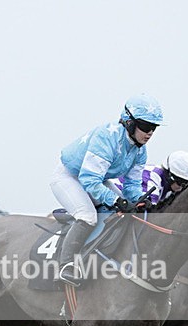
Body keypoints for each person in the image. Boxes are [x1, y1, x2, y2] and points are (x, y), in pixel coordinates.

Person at [50, 93, 163, 286]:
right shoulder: (107, 136)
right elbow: (89, 180)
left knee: (125, 214)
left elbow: (131, 186)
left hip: (95, 178)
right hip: (69, 177)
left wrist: (143, 202)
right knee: (87, 216)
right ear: (129, 122)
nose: (150, 133)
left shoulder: (140, 150)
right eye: (145, 126)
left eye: (153, 128)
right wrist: (117, 201)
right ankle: (66, 265)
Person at [116, 150, 188, 205]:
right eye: (181, 182)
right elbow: (149, 214)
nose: (181, 187)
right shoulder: (153, 177)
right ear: (170, 176)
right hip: (110, 200)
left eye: (187, 184)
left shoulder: (168, 188)